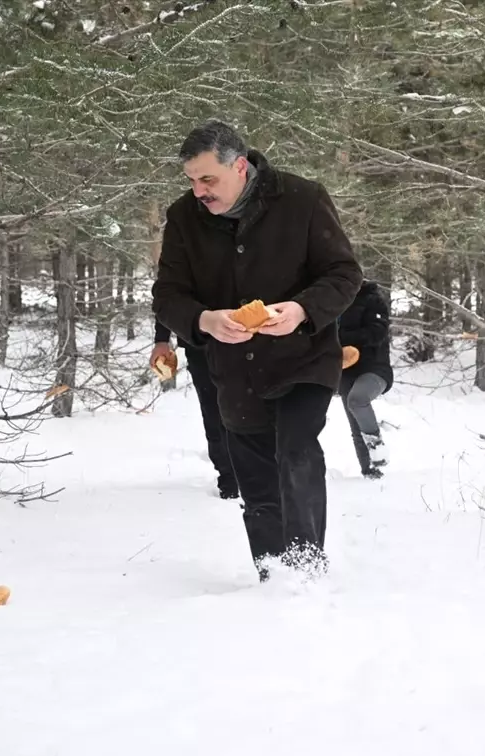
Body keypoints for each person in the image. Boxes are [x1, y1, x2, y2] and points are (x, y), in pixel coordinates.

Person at [151, 120, 362, 581]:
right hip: (231, 367)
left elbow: (344, 274)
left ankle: (306, 570)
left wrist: (302, 310)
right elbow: (168, 295)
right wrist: (205, 321)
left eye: (209, 179)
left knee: (296, 450)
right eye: (191, 180)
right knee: (255, 475)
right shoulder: (184, 217)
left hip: (303, 357)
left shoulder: (303, 199)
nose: (199, 190)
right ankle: (272, 574)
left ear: (240, 166)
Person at [150, 319, 239, 500]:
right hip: (201, 343)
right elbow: (169, 294)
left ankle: (258, 472)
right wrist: (161, 340)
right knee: (213, 410)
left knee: (250, 409)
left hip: (247, 339)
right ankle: (229, 477)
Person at [337, 279, 393, 479]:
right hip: (345, 369)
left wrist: (342, 338)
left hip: (374, 368)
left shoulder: (372, 299)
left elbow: (377, 332)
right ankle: (370, 471)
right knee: (355, 425)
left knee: (357, 399)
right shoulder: (330, 302)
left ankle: (376, 444)